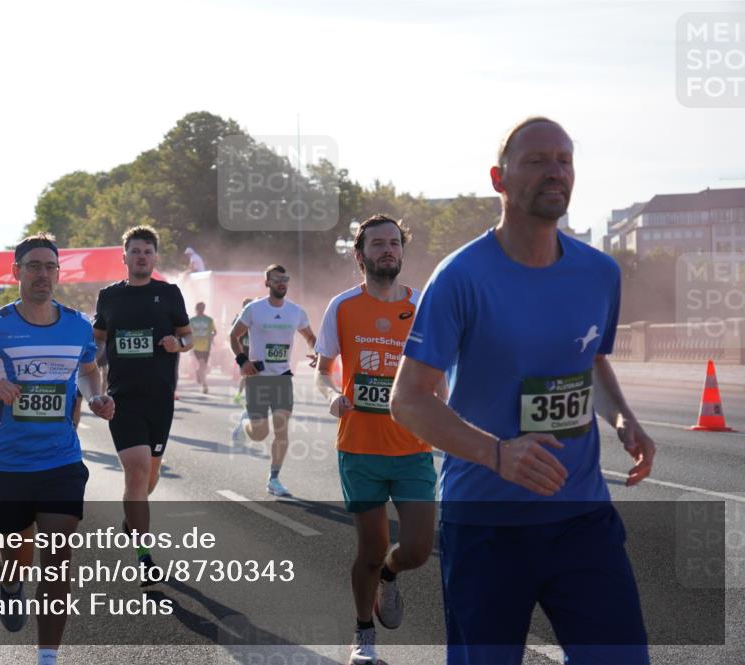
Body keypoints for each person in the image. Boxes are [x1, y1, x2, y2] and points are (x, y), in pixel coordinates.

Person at [390, 117, 654, 665]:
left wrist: (623, 419)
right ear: (499, 179)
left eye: (564, 159)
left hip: (583, 518)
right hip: (486, 522)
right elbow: (408, 399)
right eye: (535, 160)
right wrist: (496, 453)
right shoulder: (460, 276)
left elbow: (592, 361)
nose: (554, 171)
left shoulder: (600, 273)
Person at [0, 232, 113, 665]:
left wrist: (95, 397)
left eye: (50, 267)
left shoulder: (77, 325)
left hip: (61, 460)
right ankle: (11, 585)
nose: (43, 274)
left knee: (58, 556)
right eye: (33, 266)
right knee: (16, 551)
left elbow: (89, 371)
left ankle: (47, 656)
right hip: (6, 464)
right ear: (16, 272)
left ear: (59, 273)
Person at [315, 215, 438, 665]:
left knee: (421, 548)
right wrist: (332, 396)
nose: (388, 250)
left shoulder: (423, 305)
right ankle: (363, 634)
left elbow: (437, 372)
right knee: (368, 548)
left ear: (402, 252)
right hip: (360, 448)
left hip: (413, 449)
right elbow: (322, 370)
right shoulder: (342, 306)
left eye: (394, 243)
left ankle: (391, 574)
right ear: (360, 254)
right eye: (378, 244)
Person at [93, 225, 193, 580]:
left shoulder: (169, 294)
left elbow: (188, 338)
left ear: (155, 257)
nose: (141, 257)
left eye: (147, 252)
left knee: (149, 479)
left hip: (160, 398)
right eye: (135, 251)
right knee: (135, 471)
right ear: (124, 257)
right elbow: (99, 341)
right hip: (123, 397)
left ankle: (132, 518)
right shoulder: (108, 297)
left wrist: (176, 346)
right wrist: (91, 358)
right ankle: (144, 554)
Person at [228, 265, 317, 497]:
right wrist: (242, 361)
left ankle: (274, 478)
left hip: (282, 378)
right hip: (257, 378)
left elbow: (310, 336)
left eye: (285, 279)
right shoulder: (253, 309)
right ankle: (245, 422)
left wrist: (316, 352)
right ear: (267, 283)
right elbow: (233, 336)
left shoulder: (296, 311)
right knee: (259, 434)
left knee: (281, 430)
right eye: (276, 279)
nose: (281, 283)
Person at [189, 302, 216, 394]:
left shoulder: (209, 320)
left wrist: (211, 336)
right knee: (202, 365)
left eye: (201, 309)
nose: (200, 310)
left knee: (203, 367)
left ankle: (198, 373)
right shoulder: (192, 320)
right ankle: (205, 386)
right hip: (196, 346)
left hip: (206, 346)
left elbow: (214, 331)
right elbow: (188, 332)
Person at [231, 298, 253, 406]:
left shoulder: (257, 316)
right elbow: (232, 335)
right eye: (247, 305)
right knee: (246, 376)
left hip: (255, 351)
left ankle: (243, 396)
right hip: (243, 351)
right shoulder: (239, 318)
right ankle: (240, 395)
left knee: (250, 376)